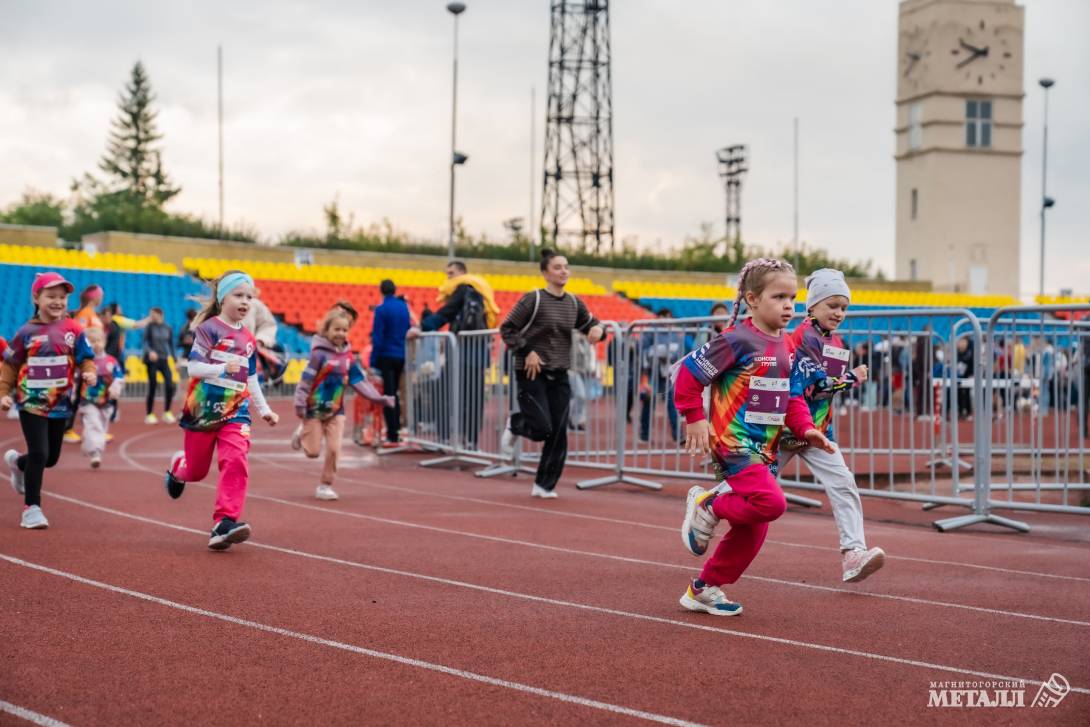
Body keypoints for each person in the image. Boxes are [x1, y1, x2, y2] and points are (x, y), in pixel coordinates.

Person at [674, 258, 833, 616]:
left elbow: (792, 397)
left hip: (765, 450)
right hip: (734, 445)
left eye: (793, 297)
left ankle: (703, 588)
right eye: (779, 297)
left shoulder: (788, 346)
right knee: (772, 504)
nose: (789, 305)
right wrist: (694, 417)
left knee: (755, 527)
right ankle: (709, 505)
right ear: (752, 299)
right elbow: (688, 374)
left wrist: (807, 428)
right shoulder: (736, 340)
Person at [778, 269, 885, 583]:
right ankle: (709, 503)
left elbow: (824, 393)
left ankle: (853, 552)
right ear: (812, 307)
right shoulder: (805, 337)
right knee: (752, 484)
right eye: (832, 305)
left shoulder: (834, 339)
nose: (839, 313)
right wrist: (853, 378)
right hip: (786, 429)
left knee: (843, 482)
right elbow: (816, 387)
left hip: (818, 430)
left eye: (844, 307)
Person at [163, 270, 279, 550]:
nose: (245, 302)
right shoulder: (208, 329)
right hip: (203, 411)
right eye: (238, 295)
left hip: (235, 411)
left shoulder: (249, 339)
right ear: (222, 297)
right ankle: (179, 468)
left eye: (249, 297)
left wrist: (264, 409)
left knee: (236, 459)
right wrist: (221, 367)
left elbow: (251, 377)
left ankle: (224, 522)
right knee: (197, 471)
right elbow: (193, 368)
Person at [499, 249, 605, 498]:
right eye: (557, 267)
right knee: (542, 427)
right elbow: (508, 328)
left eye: (566, 267)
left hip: (559, 374)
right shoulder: (532, 300)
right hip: (531, 372)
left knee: (558, 432)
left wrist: (599, 329)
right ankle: (516, 424)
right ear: (545, 273)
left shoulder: (573, 302)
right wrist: (527, 351)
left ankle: (544, 485)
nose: (563, 271)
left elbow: (591, 324)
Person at [2, 272, 96, 529]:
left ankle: (18, 463)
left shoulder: (74, 330)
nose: (57, 301)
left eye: (62, 297)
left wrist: (89, 371)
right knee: (39, 453)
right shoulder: (25, 332)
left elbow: (86, 357)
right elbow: (10, 364)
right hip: (30, 402)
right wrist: (3, 393)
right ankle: (31, 508)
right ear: (36, 297)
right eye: (51, 296)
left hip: (61, 404)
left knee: (50, 458)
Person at [292, 307, 394, 500]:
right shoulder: (318, 355)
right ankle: (302, 431)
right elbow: (305, 381)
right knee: (313, 452)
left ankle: (325, 485)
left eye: (344, 330)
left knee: (334, 449)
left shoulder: (348, 357)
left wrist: (378, 398)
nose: (341, 334)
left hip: (336, 410)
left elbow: (359, 381)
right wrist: (300, 404)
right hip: (313, 410)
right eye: (336, 329)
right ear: (327, 330)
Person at [410, 260, 500, 451]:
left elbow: (445, 314)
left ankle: (444, 439)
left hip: (460, 353)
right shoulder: (482, 291)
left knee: (446, 394)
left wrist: (421, 327)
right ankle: (471, 442)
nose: (448, 278)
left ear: (462, 273)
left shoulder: (463, 288)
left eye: (451, 273)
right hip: (479, 352)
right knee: (474, 398)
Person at [638, 309, 690, 443]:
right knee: (650, 402)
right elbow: (642, 352)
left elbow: (680, 354)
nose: (666, 320)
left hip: (668, 374)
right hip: (651, 373)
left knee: (672, 404)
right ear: (658, 317)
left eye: (668, 317)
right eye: (663, 317)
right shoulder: (649, 332)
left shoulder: (676, 335)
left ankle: (678, 436)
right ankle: (644, 434)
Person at [370, 279, 411, 446]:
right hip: (402, 354)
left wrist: (373, 361)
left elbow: (378, 336)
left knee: (388, 395)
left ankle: (392, 433)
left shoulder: (381, 309)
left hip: (387, 355)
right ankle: (399, 428)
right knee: (398, 393)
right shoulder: (404, 307)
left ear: (382, 291)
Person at [78, 327, 125, 469]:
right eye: (92, 342)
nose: (96, 344)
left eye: (99, 341)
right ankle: (96, 453)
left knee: (102, 427)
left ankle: (88, 445)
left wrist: (115, 388)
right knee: (94, 424)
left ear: (104, 342)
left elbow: (120, 377)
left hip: (106, 401)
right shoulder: (85, 362)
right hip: (88, 400)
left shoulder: (111, 361)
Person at [142, 307, 176, 424]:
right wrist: (150, 351)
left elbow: (171, 344)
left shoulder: (167, 328)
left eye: (153, 314)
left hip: (164, 359)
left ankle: (167, 412)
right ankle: (149, 414)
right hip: (152, 360)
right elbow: (145, 342)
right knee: (153, 385)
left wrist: (175, 359)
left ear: (160, 314)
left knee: (170, 385)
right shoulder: (149, 327)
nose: (151, 316)